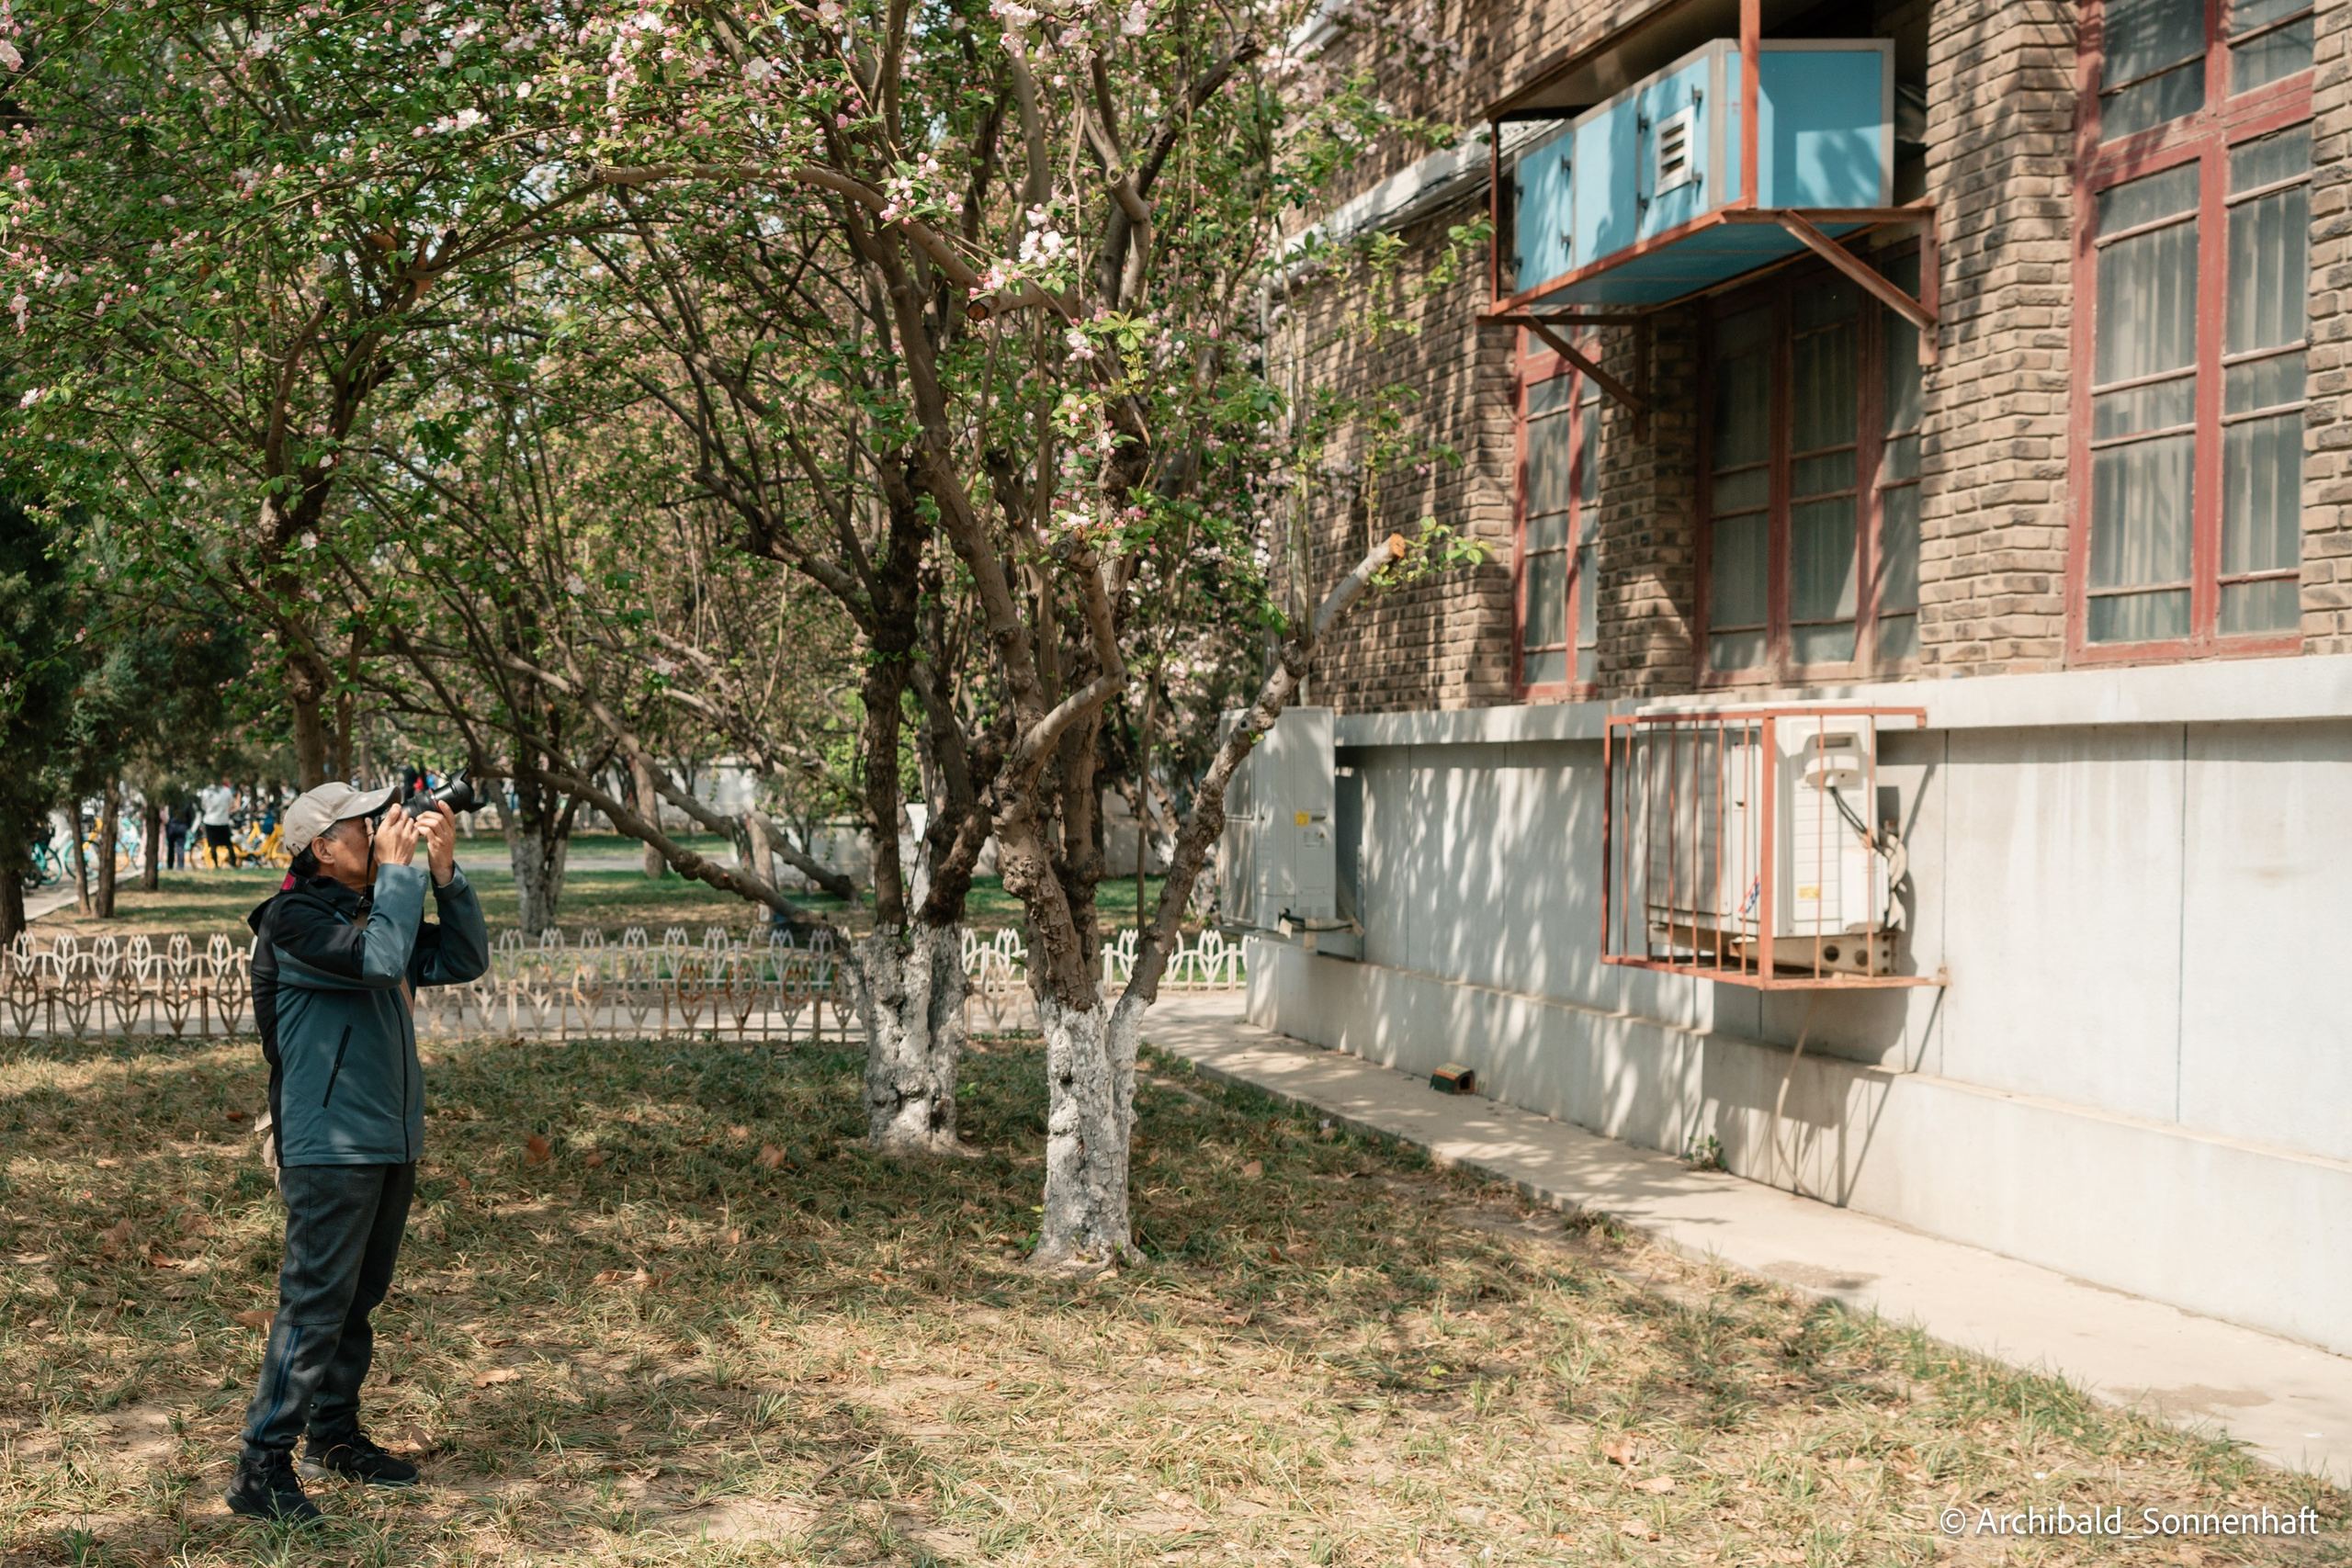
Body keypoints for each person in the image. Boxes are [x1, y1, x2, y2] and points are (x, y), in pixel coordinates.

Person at [224, 783, 489, 1524]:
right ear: (321, 847)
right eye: (361, 824)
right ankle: (260, 1465)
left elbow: (464, 957)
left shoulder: (376, 908)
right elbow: (377, 962)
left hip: (388, 1134)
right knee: (314, 1304)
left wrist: (442, 873)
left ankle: (333, 1437)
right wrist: (403, 876)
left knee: (356, 1300)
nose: (377, 831)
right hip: (328, 1141)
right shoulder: (295, 918)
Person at [198, 776, 240, 868]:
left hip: (210, 821)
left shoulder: (206, 791)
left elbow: (203, 806)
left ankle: (216, 865)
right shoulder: (227, 791)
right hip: (223, 821)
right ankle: (233, 864)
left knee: (213, 845)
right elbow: (231, 804)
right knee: (228, 844)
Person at [164, 803, 192, 871]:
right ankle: (180, 867)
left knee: (171, 848)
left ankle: (170, 866)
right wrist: (187, 826)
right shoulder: (186, 802)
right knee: (180, 847)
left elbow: (167, 815)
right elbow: (190, 816)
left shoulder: (171, 802)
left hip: (172, 826)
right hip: (182, 826)